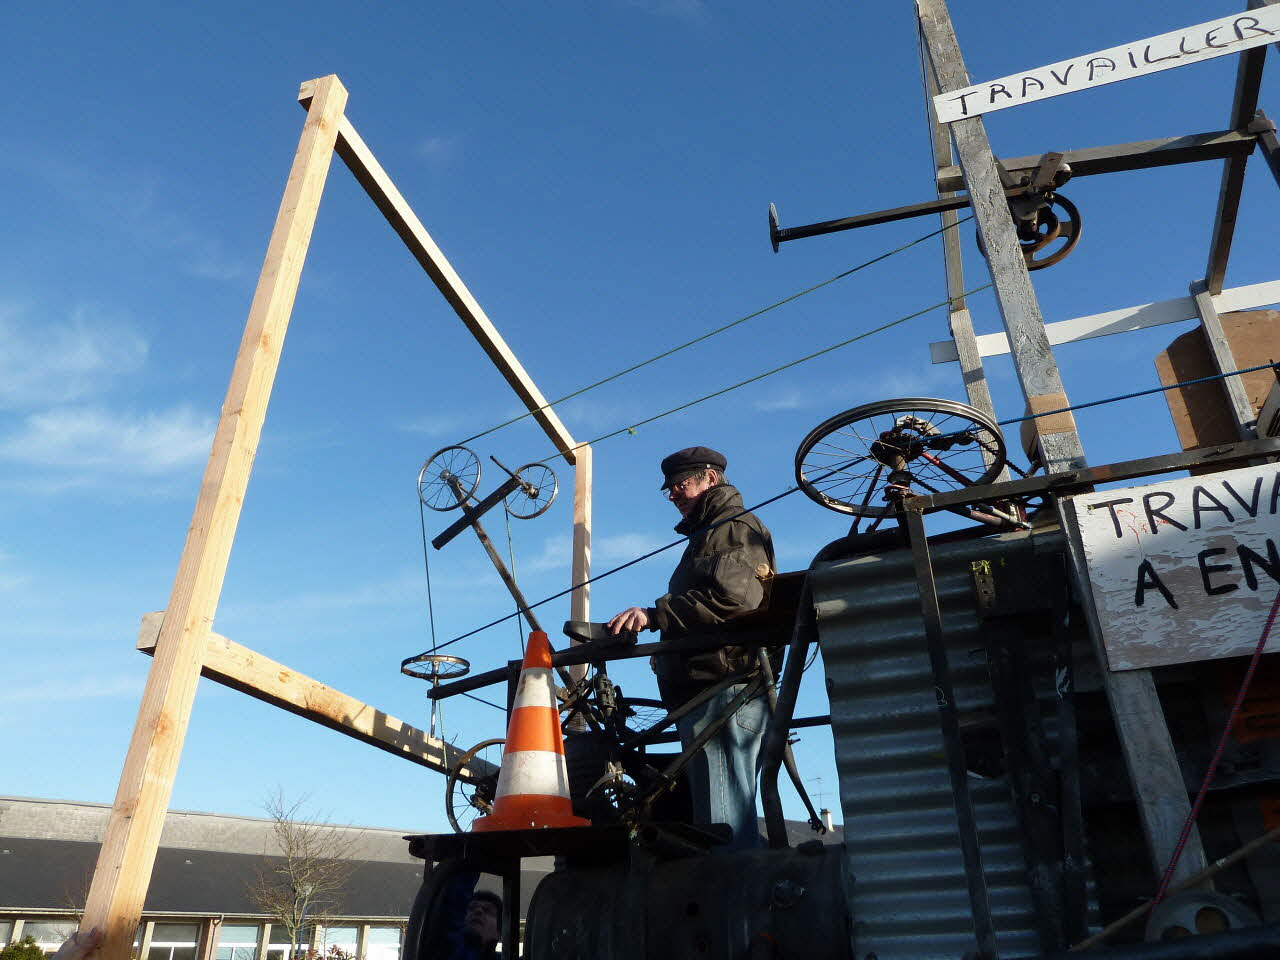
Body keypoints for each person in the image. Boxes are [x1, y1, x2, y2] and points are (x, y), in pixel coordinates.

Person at [608, 445, 775, 851]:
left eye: (681, 485)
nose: (674, 495)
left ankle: (736, 911)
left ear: (711, 479)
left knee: (723, 828)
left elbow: (735, 599)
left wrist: (656, 615)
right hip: (710, 691)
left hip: (723, 691)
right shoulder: (710, 533)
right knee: (715, 821)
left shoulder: (731, 527)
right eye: (669, 489)